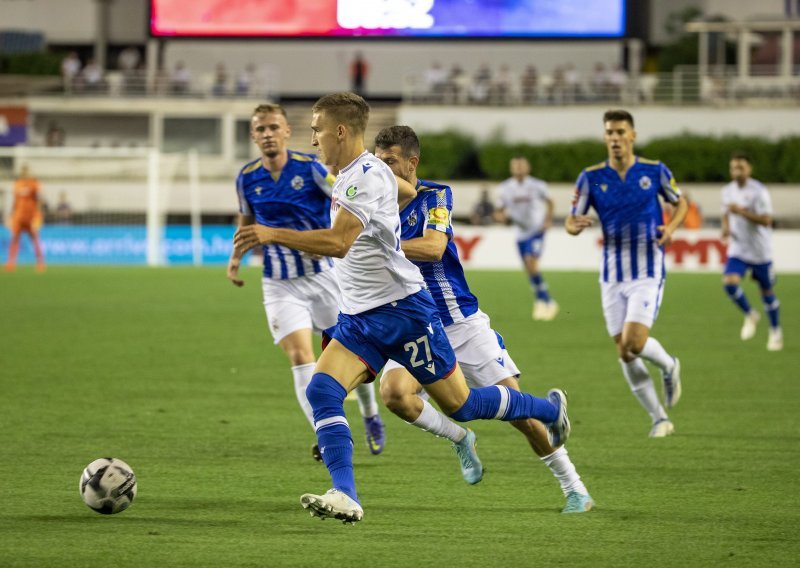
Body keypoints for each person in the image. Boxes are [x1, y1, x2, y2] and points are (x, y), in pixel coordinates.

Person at [233, 93, 570, 524]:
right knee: (322, 390)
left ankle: (546, 409)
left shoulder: (360, 179)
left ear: (340, 131)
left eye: (317, 129)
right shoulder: (359, 172)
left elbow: (338, 242)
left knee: (461, 405)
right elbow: (406, 188)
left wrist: (270, 233)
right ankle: (345, 493)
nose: (313, 139)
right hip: (358, 316)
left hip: (403, 313)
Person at [374, 125, 594, 513]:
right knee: (393, 394)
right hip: (414, 326)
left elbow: (433, 247)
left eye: (389, 161)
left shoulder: (434, 196)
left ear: (412, 162)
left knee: (522, 416)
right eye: (378, 162)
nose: (382, 169)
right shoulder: (375, 203)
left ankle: (574, 487)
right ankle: (460, 438)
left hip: (460, 322)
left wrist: (382, 246)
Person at [227, 103, 386, 463]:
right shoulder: (246, 177)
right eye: (260, 129)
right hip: (280, 284)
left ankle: (370, 412)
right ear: (254, 136)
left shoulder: (310, 168)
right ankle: (324, 431)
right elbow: (246, 219)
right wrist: (235, 259)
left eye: (273, 127)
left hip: (324, 278)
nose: (267, 134)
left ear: (285, 132)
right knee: (301, 356)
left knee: (354, 355)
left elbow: (343, 199)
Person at [566, 109, 687, 438]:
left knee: (634, 342)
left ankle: (669, 365)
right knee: (624, 351)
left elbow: (681, 203)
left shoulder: (654, 171)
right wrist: (573, 225)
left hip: (647, 269)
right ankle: (659, 418)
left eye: (620, 132)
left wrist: (672, 228)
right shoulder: (590, 177)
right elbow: (571, 217)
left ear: (632, 135)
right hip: (611, 274)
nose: (615, 138)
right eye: (609, 133)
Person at [721, 152, 782, 351]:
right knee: (729, 283)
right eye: (733, 168)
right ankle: (750, 314)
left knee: (766, 291)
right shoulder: (727, 191)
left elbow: (767, 220)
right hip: (738, 248)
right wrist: (725, 227)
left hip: (759, 250)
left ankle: (775, 331)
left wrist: (743, 213)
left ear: (749, 169)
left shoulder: (759, 192)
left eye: (741, 167)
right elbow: (725, 213)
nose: (736, 172)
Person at [495, 156, 558, 321]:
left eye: (521, 165)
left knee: (531, 261)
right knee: (529, 268)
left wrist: (548, 220)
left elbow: (551, 202)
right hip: (520, 233)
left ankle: (544, 301)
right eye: (515, 166)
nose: (518, 168)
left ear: (528, 167)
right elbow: (499, 210)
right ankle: (544, 299)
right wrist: (501, 218)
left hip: (536, 230)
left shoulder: (537, 185)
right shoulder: (505, 188)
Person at [5, 164, 45, 272]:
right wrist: (10, 215)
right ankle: (10, 263)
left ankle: (40, 263)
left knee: (35, 239)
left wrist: (38, 215)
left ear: (30, 173)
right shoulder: (17, 185)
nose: (25, 174)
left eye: (27, 172)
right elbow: (14, 201)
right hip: (18, 216)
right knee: (14, 238)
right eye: (23, 172)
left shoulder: (34, 184)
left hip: (31, 217)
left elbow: (40, 199)